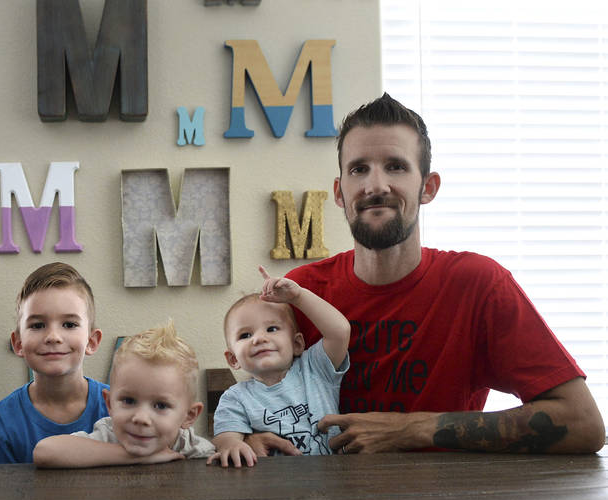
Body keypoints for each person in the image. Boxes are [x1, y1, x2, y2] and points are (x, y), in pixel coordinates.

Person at [259, 93, 604, 455]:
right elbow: (259, 406)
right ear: (340, 192)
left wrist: (413, 428)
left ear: (428, 187)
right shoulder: (301, 292)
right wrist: (248, 438)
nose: (375, 186)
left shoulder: (478, 284)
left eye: (396, 166)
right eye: (359, 169)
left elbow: (584, 424)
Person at [209, 266, 350, 467]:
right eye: (245, 335)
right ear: (233, 359)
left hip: (332, 480)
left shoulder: (315, 369)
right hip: (271, 488)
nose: (259, 338)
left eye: (272, 328)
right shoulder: (236, 398)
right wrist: (231, 444)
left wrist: (298, 297)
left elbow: (340, 331)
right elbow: (225, 438)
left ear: (297, 344)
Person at [33, 321, 214, 468]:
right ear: (110, 404)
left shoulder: (192, 448)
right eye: (128, 401)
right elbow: (44, 452)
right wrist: (135, 457)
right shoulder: (108, 435)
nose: (141, 418)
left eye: (160, 405)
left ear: (189, 415)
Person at [0, 262, 106, 464]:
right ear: (19, 343)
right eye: (38, 325)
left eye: (69, 324)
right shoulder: (2, 421)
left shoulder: (119, 408)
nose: (53, 337)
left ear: (91, 342)